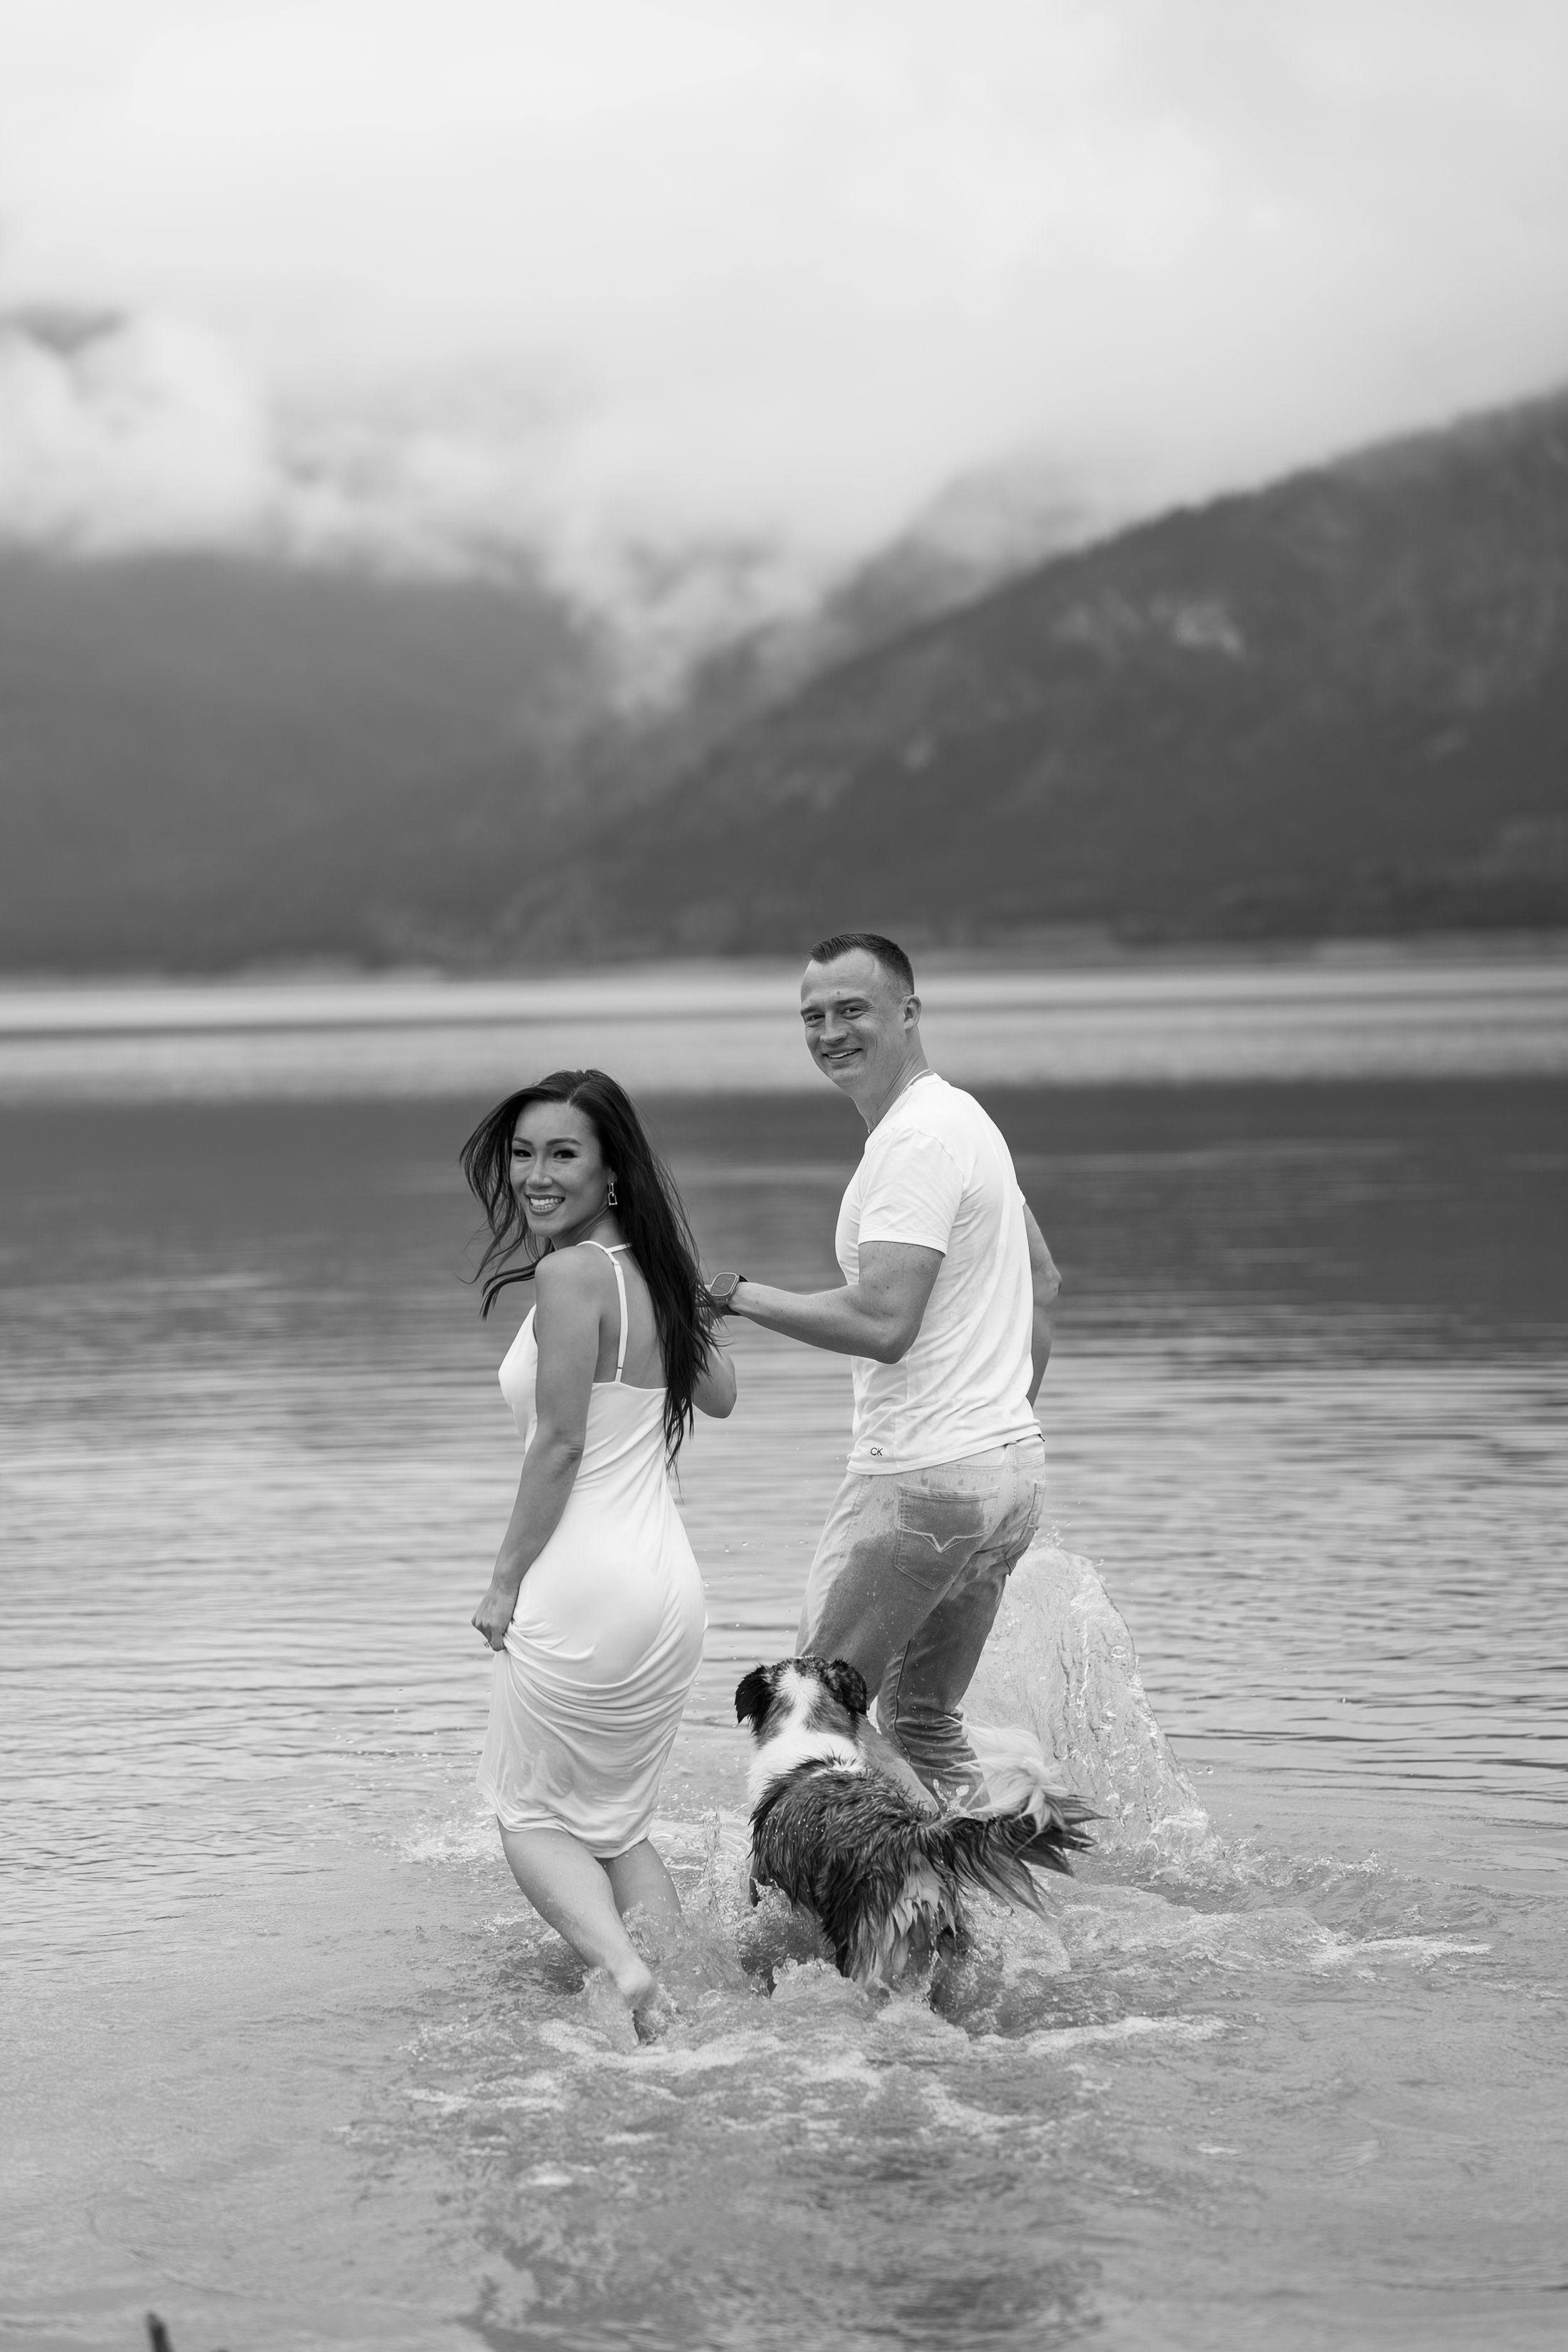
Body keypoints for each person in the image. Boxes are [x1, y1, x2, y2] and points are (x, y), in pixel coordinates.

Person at [707, 933, 1061, 1809]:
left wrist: (736, 1294)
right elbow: (1043, 1284)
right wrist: (994, 1429)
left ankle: (909, 1899)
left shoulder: (915, 1142)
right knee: (920, 1722)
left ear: (908, 1011)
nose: (830, 1031)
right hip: (1005, 1475)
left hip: (922, 1479)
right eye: (813, 1016)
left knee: (811, 1718)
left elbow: (884, 1320)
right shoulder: (965, 1120)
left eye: (852, 1009)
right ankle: (1007, 1896)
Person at [462, 1069, 736, 2040]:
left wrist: (502, 1583)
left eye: (563, 1153)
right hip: (669, 1593)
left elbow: (562, 1444)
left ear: (611, 1170)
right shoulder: (651, 1273)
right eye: (525, 1153)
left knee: (527, 1814)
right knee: (617, 1827)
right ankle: (684, 1999)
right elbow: (723, 1391)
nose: (537, 1174)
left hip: (585, 1587)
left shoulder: (573, 1273)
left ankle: (626, 1974)